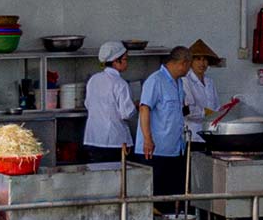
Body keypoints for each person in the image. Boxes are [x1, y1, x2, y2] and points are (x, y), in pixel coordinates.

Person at [134, 45, 191, 206]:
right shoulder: (156, 80)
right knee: (154, 200)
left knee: (171, 199)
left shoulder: (178, 83)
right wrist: (147, 139)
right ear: (183, 63)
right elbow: (144, 108)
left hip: (174, 150)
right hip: (155, 151)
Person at [82, 41, 137, 165]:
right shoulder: (120, 83)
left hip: (93, 138)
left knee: (98, 178)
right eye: (125, 59)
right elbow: (127, 113)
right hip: (115, 141)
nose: (127, 62)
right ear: (116, 61)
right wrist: (136, 106)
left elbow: (88, 104)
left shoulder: (93, 79)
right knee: (116, 178)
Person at [181, 40, 224, 143]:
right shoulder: (185, 81)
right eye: (198, 59)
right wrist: (207, 113)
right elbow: (187, 110)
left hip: (210, 133)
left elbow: (217, 105)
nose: (202, 63)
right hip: (192, 135)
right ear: (191, 62)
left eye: (205, 60)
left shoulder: (210, 82)